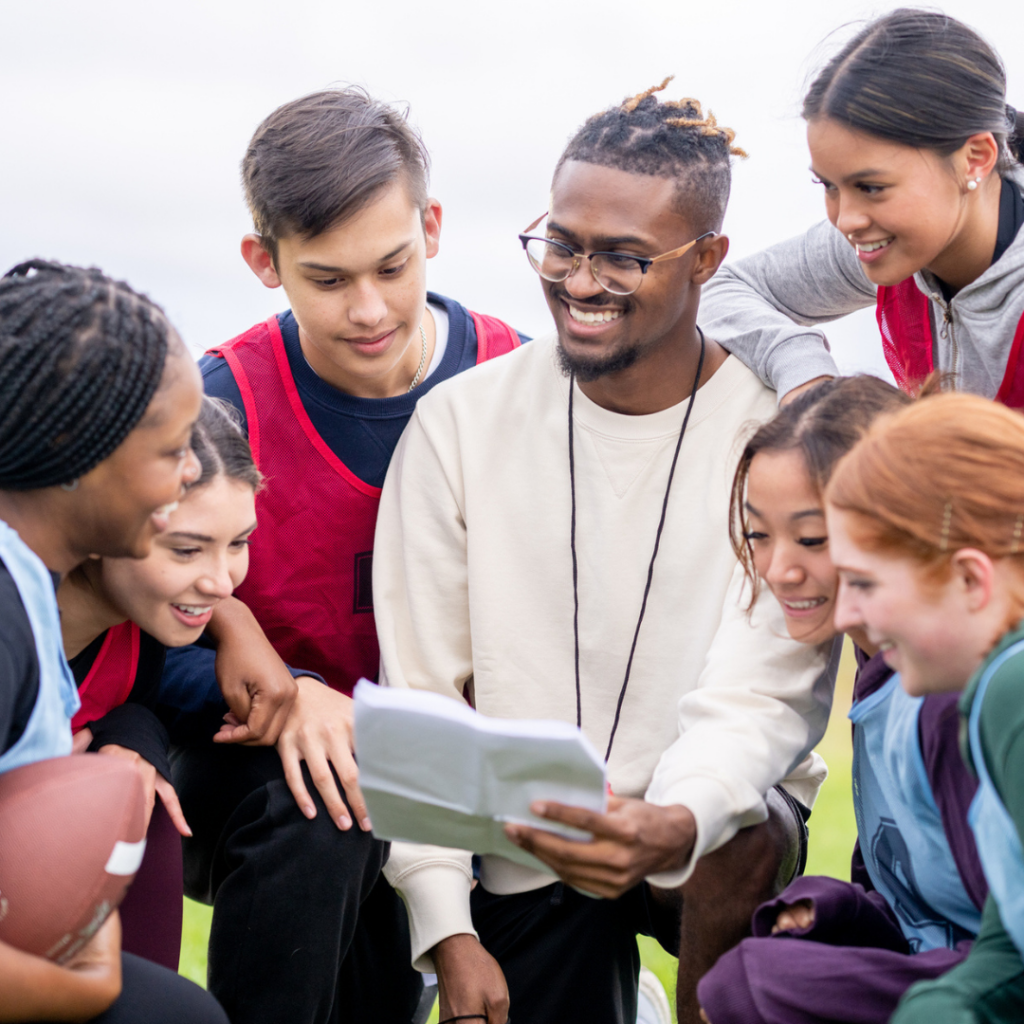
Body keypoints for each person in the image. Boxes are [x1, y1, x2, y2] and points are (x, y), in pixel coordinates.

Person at [373, 82, 839, 1024]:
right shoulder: (459, 423)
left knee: (733, 838)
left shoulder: (769, 438)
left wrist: (671, 817)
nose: (580, 282)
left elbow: (761, 696)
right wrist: (446, 929)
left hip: (708, 827)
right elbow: (419, 695)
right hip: (530, 839)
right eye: (563, 244)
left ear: (708, 258)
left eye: (625, 257)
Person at [165, 86, 522, 1024]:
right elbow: (138, 619)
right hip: (278, 783)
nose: (369, 309)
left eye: (392, 266)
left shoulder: (514, 380)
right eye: (327, 280)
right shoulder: (218, 402)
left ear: (433, 228)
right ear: (263, 262)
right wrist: (284, 693)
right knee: (334, 806)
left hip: (465, 761)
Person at [697, 376, 988, 1024]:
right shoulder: (877, 671)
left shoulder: (946, 695)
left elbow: (1000, 945)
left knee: (744, 983)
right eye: (757, 535)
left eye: (811, 538)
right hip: (943, 979)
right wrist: (840, 909)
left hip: (975, 992)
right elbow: (905, 893)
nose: (777, 571)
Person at [0, 259, 227, 1024]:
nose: (190, 471)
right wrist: (76, 986)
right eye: (171, 452)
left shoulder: (26, 583)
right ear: (76, 448)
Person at [699, 8, 1024, 405]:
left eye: (871, 187)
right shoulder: (893, 241)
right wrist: (807, 378)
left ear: (974, 159)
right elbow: (721, 287)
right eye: (829, 185)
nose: (846, 221)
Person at [820, 392, 1024, 1023]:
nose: (846, 615)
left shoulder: (1010, 690)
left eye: (865, 584)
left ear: (970, 579)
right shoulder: (990, 689)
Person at [53, 397, 263, 971]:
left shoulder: (139, 629)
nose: (222, 583)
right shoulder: (19, 625)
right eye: (188, 549)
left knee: (144, 793)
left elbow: (119, 705)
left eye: (239, 543)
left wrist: (134, 733)